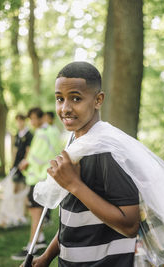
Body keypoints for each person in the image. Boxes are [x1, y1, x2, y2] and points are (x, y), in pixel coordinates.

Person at [28, 62, 140, 267]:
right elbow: (73, 217)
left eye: (76, 98)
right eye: (59, 99)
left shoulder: (105, 151)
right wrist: (47, 257)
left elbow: (130, 224)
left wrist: (74, 185)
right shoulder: (76, 142)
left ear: (98, 100)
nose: (65, 108)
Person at [11, 107, 58, 261]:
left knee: (35, 214)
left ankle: (32, 247)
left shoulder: (41, 133)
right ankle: (41, 240)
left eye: (33, 119)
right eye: (30, 119)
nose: (31, 122)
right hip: (45, 178)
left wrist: (25, 163)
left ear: (41, 117)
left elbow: (35, 156)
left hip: (37, 179)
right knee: (37, 212)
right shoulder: (53, 131)